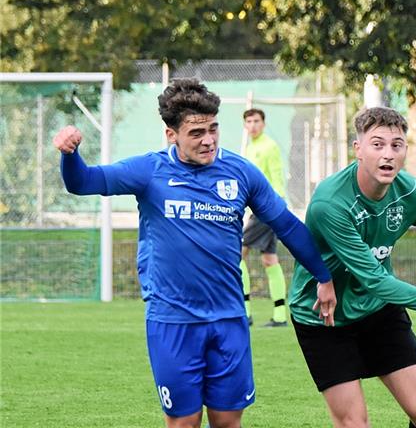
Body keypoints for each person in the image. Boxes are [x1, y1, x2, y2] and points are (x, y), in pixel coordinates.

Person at [52, 78, 337, 428]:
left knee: (227, 421)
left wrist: (323, 277)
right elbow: (83, 182)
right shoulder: (149, 171)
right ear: (171, 135)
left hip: (228, 318)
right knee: (184, 422)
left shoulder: (241, 172)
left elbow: (287, 225)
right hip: (173, 320)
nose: (209, 140)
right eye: (196, 132)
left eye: (214, 128)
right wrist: (70, 154)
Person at [289, 106, 416, 428]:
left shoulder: (407, 191)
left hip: (378, 312)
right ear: (358, 149)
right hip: (324, 319)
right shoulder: (331, 203)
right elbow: (375, 280)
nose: (387, 154)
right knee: (355, 423)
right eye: (377, 144)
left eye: (396, 145)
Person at [240, 108, 289, 328]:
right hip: (262, 210)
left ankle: (245, 312)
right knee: (269, 259)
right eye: (249, 121)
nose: (253, 125)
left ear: (264, 123)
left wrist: (274, 206)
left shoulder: (269, 146)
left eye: (256, 121)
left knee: (236, 253)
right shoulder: (250, 147)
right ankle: (280, 315)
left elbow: (277, 177)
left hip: (266, 209)